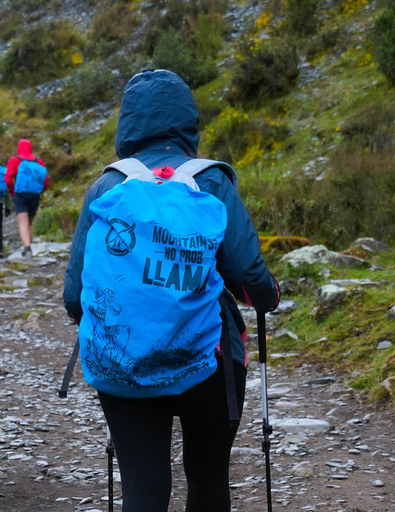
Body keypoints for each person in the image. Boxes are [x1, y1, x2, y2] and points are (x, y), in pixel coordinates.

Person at [62, 70, 280, 512]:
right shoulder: (212, 181)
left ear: (128, 124)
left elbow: (74, 298)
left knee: (143, 489)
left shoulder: (107, 186)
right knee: (207, 477)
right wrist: (269, 297)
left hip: (123, 364)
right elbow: (250, 278)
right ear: (188, 121)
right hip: (209, 360)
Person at [5, 139, 49, 257]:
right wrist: (39, 191)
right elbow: (46, 181)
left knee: (22, 223)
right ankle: (29, 247)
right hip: (34, 196)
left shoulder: (15, 160)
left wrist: (12, 192)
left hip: (20, 195)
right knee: (30, 223)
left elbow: (8, 179)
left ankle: (27, 248)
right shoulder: (38, 161)